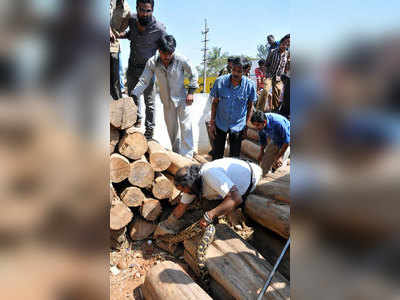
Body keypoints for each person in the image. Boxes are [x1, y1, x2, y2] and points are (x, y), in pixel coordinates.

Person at [154, 158, 262, 236]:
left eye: (182, 190)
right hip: (230, 190)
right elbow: (181, 207)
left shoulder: (210, 174)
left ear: (189, 184)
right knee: (205, 205)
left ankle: (232, 219)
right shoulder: (192, 183)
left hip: (251, 179)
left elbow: (236, 198)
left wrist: (210, 215)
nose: (183, 193)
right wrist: (167, 224)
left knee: (208, 209)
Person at [131, 35, 198, 158]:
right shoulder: (152, 62)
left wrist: (191, 92)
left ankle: (188, 157)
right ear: (159, 51)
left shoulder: (181, 59)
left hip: (183, 100)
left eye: (170, 53)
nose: (167, 57)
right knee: (172, 131)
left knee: (186, 127)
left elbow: (194, 74)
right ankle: (177, 156)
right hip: (167, 102)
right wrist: (134, 93)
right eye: (164, 53)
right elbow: (144, 80)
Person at [119, 0, 166, 139]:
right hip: (132, 67)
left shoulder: (159, 28)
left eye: (148, 11)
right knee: (133, 98)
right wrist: (120, 35)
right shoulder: (132, 20)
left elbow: (165, 49)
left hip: (148, 71)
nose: (145, 14)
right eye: (142, 10)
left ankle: (149, 133)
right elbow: (130, 34)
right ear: (137, 8)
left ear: (152, 10)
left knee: (149, 103)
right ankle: (133, 128)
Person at [209, 56, 257, 160]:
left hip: (238, 125)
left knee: (234, 158)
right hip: (220, 123)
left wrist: (246, 125)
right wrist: (212, 123)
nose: (235, 73)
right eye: (233, 70)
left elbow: (250, 106)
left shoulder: (250, 85)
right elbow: (214, 103)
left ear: (245, 71)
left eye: (239, 71)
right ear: (231, 67)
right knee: (217, 156)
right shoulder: (220, 82)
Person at [250, 110, 290, 175]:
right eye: (255, 125)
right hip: (276, 140)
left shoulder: (278, 123)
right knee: (264, 165)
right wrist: (262, 152)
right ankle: (265, 176)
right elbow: (263, 140)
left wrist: (280, 156)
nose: (256, 127)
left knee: (278, 165)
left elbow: (287, 141)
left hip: (288, 141)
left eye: (258, 125)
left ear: (264, 122)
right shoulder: (261, 125)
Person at [110, 0, 131, 100]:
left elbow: (121, 30)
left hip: (112, 45)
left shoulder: (127, 11)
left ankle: (117, 100)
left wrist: (115, 34)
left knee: (115, 77)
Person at [264, 34, 290, 112]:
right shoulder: (272, 50)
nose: (283, 46)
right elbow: (266, 63)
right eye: (282, 45)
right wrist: (266, 75)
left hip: (279, 77)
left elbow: (286, 66)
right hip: (270, 74)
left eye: (285, 45)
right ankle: (261, 108)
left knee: (277, 94)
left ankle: (275, 110)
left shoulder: (287, 53)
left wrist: (285, 73)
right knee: (265, 90)